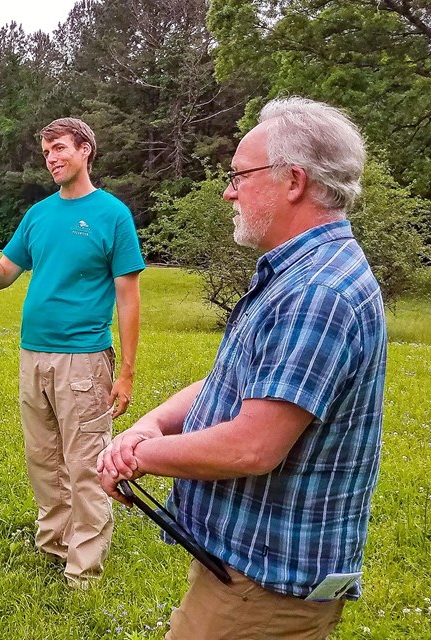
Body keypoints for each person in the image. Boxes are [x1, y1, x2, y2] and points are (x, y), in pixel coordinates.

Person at [98, 97, 387, 639]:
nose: (228, 191)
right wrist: (150, 426)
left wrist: (136, 456)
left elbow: (251, 447)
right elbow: (236, 381)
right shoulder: (296, 273)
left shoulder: (316, 292)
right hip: (248, 572)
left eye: (239, 175)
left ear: (294, 181)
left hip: (266, 588)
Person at [0, 117, 145, 589]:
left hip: (84, 359)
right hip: (33, 356)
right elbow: (2, 277)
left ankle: (84, 568)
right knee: (44, 459)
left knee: (85, 462)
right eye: (46, 152)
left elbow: (128, 298)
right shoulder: (37, 215)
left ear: (85, 150)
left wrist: (128, 372)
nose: (52, 159)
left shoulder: (112, 214)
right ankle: (55, 544)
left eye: (59, 149)